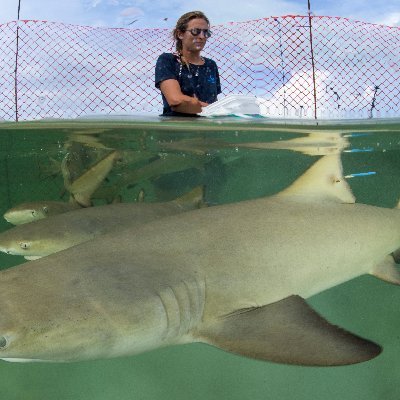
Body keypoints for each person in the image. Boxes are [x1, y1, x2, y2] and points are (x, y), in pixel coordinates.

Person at [155, 11, 221, 117]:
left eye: (206, 32)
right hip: (177, 128)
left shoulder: (211, 65)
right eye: (196, 31)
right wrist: (214, 110)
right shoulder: (168, 60)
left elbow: (215, 101)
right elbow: (176, 101)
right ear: (180, 34)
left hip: (208, 129)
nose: (202, 36)